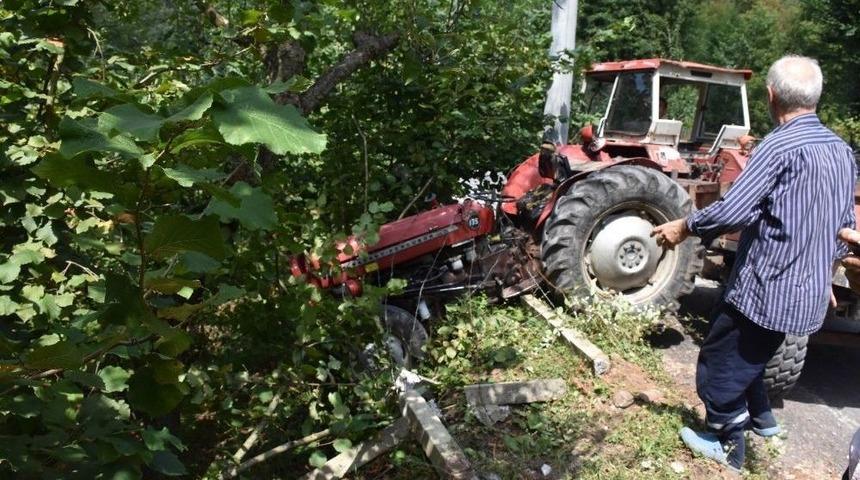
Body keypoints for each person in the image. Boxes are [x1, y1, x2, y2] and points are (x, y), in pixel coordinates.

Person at [652, 55, 857, 473]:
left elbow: (733, 211)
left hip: (764, 288)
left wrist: (684, 226)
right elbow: (844, 225)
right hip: (806, 293)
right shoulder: (841, 151)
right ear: (816, 97)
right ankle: (763, 419)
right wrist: (827, 275)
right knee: (756, 354)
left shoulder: (778, 145)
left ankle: (725, 443)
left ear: (770, 95)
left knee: (720, 360)